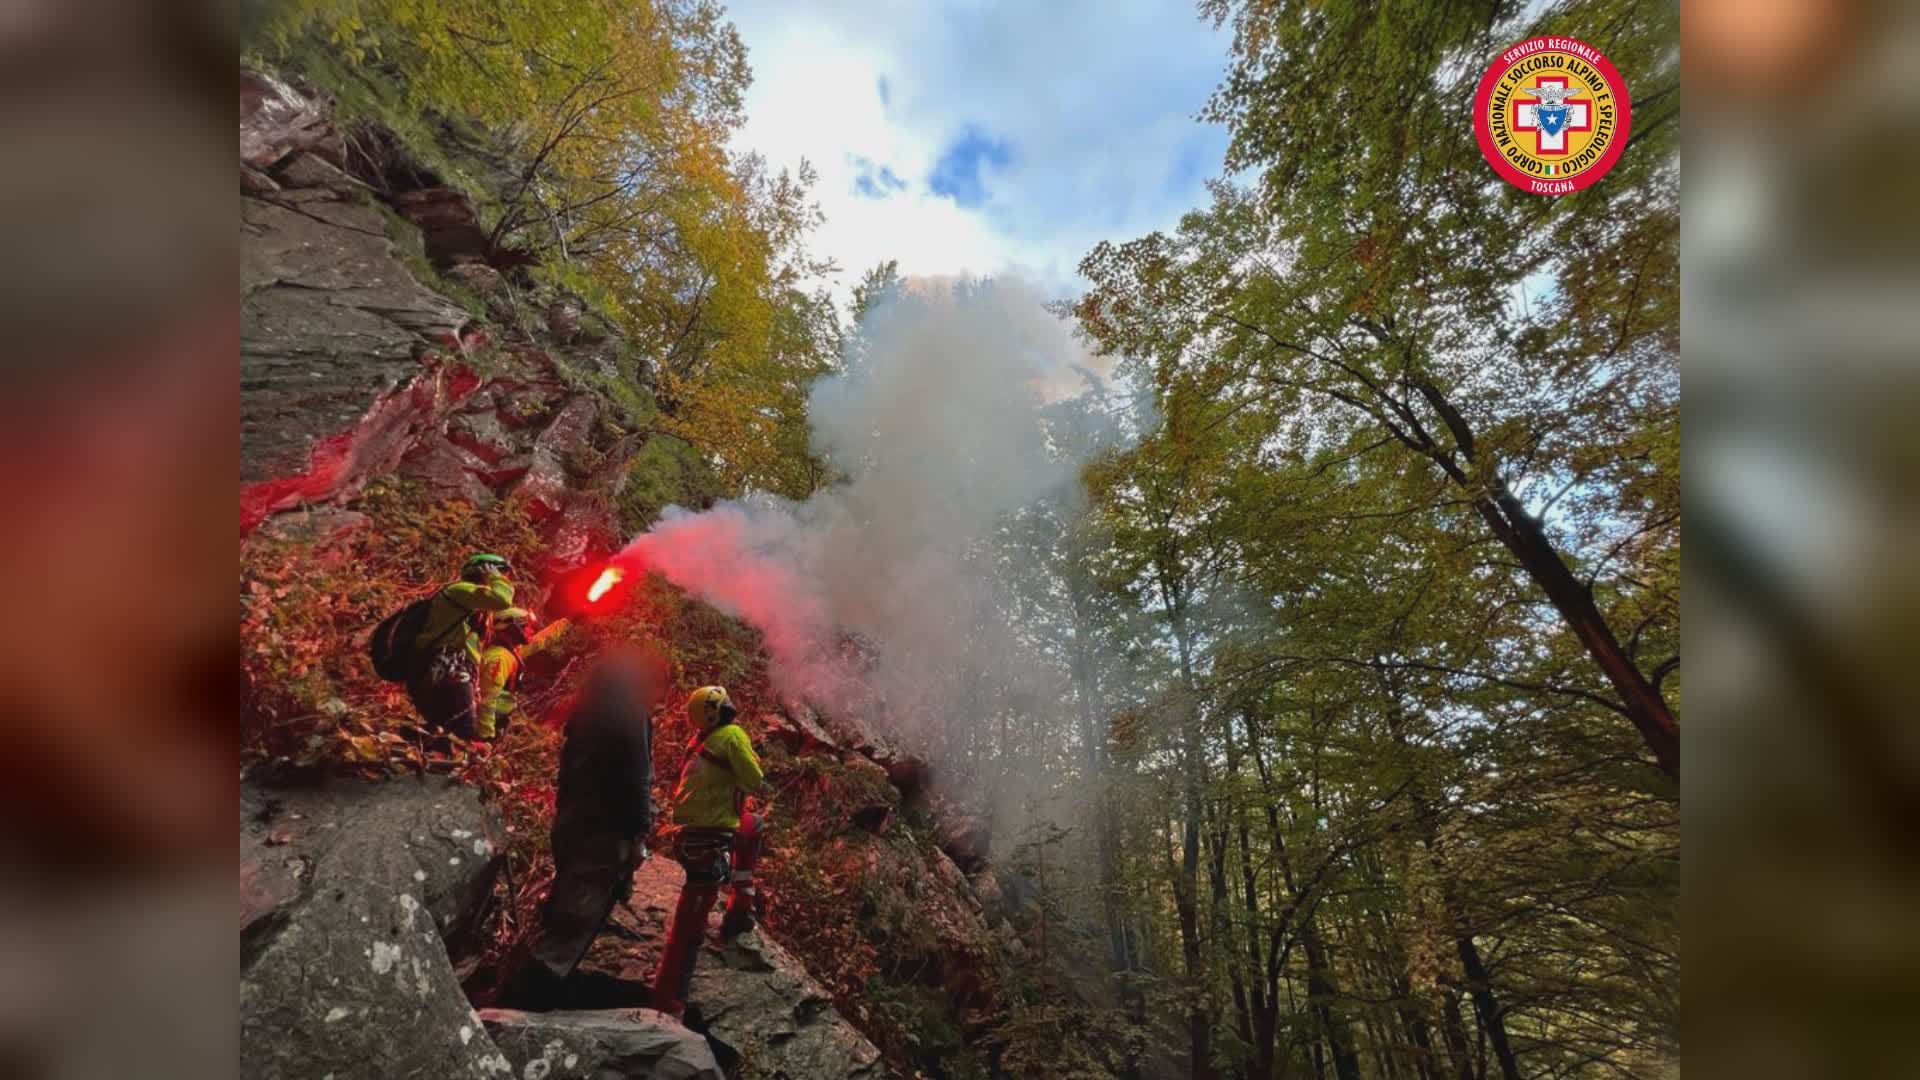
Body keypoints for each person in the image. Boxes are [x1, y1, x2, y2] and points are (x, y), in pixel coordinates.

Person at [516, 649, 665, 995]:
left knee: (567, 901)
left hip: (572, 822)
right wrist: (638, 835)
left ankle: (540, 976)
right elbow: (635, 779)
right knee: (580, 911)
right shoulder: (630, 716)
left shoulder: (587, 714)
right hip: (605, 831)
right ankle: (536, 991)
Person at [651, 685, 767, 1017]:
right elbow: (754, 779)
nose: (732, 706)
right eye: (726, 703)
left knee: (753, 825)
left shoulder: (702, 738)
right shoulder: (731, 735)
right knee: (692, 920)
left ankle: (740, 905)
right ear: (718, 711)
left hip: (693, 832)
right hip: (709, 837)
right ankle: (669, 997)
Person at [406, 553, 515, 740]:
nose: (503, 579)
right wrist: (495, 577)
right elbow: (502, 599)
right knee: (465, 732)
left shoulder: (474, 605)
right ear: (484, 570)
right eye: (501, 573)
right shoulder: (461, 591)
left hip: (453, 670)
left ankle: (415, 761)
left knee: (446, 730)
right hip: (446, 668)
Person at [473, 608, 571, 741]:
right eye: (526, 627)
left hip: (495, 721)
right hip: (483, 727)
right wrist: (486, 735)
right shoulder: (500, 658)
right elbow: (487, 700)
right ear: (511, 627)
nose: (530, 631)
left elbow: (539, 642)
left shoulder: (509, 652)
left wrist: (568, 621)